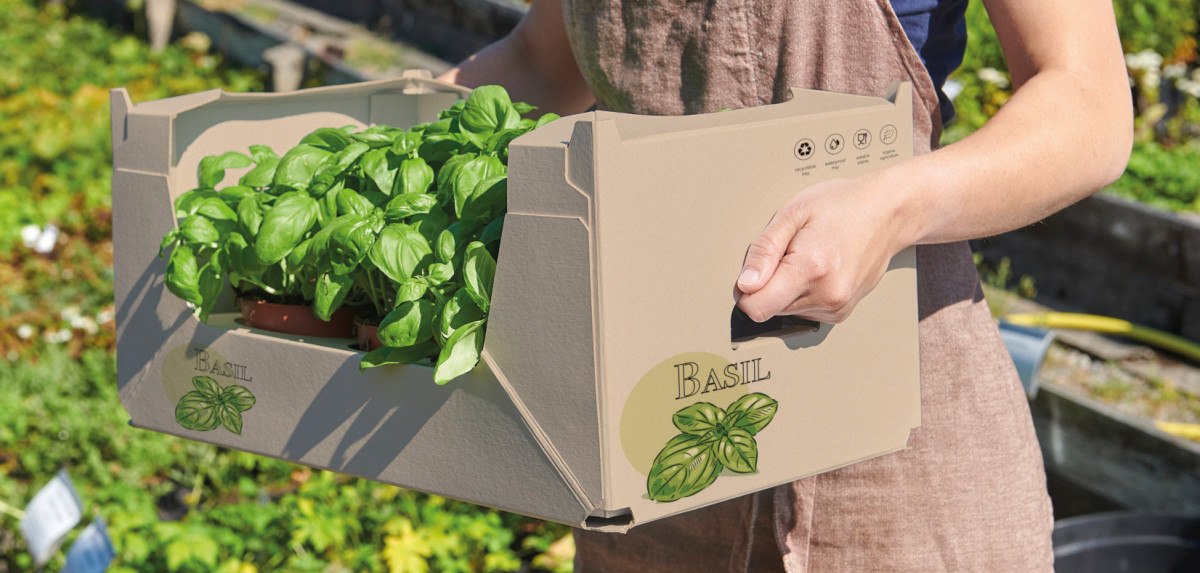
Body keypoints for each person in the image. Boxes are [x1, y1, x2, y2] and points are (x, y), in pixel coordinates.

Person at [438, 0, 1132, 570]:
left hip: (896, 431)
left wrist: (891, 206)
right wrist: (387, 141)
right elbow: (540, 61)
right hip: (652, 448)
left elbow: (1088, 103)